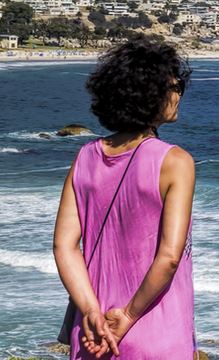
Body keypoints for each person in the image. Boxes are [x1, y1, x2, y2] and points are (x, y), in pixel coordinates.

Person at [52, 38, 197, 359]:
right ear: (152, 93)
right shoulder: (175, 161)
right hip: (154, 333)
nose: (179, 95)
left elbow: (64, 246)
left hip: (93, 333)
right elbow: (170, 257)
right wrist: (128, 315)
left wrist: (90, 310)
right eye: (176, 86)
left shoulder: (85, 157)